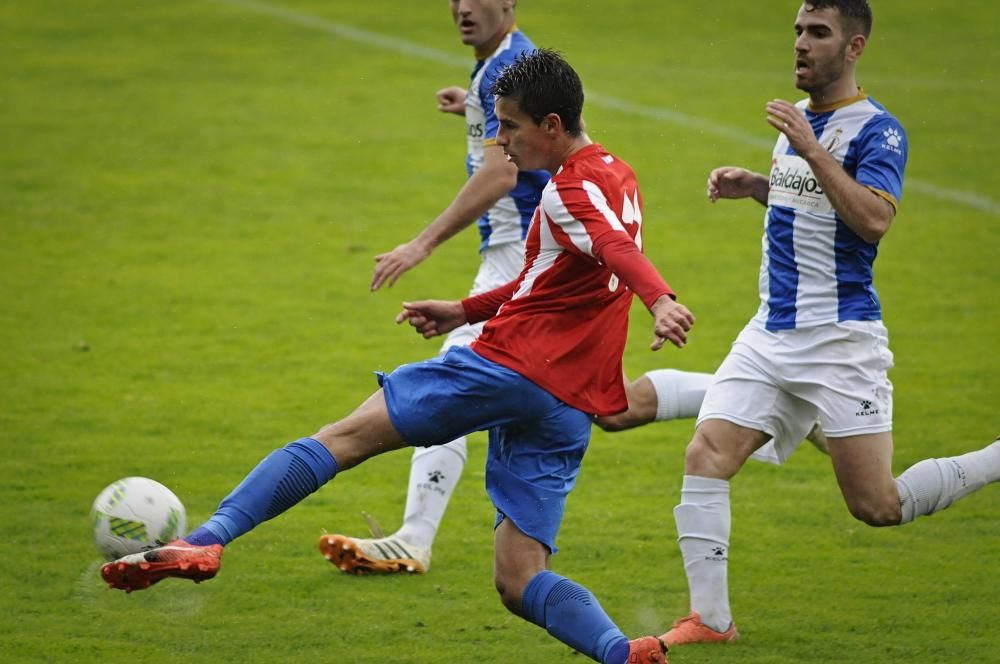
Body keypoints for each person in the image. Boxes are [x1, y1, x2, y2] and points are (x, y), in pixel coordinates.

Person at [101, 49, 687, 664]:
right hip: (568, 401)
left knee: (344, 437)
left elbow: (616, 248)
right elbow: (551, 276)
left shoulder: (568, 191)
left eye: (508, 126)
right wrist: (463, 310)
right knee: (519, 578)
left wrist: (661, 299)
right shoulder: (617, 172)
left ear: (550, 125)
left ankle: (207, 541)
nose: (499, 139)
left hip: (509, 369)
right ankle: (623, 654)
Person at [323, 0, 716, 576]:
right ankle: (745, 397)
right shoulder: (499, 69)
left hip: (534, 254)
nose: (462, 7)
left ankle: (414, 536)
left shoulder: (519, 65)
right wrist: (475, 112)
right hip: (535, 253)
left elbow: (505, 172)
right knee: (606, 405)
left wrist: (421, 244)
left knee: (452, 377)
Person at [660, 0, 1000, 647]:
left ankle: (995, 459)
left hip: (839, 341)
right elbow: (814, 202)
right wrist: (758, 184)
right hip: (770, 332)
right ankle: (711, 620)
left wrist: (810, 149)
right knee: (706, 454)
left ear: (854, 48)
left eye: (818, 33)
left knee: (877, 506)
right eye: (797, 31)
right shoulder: (802, 126)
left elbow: (872, 220)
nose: (801, 44)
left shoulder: (878, 131)